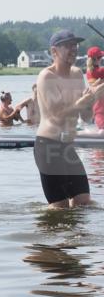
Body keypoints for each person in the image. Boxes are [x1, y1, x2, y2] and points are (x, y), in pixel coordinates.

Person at [34, 30, 104, 208]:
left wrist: (94, 99)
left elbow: (86, 117)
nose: (73, 49)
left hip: (67, 147)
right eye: (67, 45)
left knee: (83, 202)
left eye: (75, 45)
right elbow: (56, 116)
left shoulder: (77, 74)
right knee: (60, 208)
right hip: (48, 147)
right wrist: (84, 101)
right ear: (54, 51)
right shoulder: (46, 77)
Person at [86, 45, 104, 131]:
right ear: (96, 59)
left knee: (98, 113)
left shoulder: (88, 71)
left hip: (96, 98)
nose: (101, 59)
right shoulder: (101, 71)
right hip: (101, 99)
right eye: (100, 57)